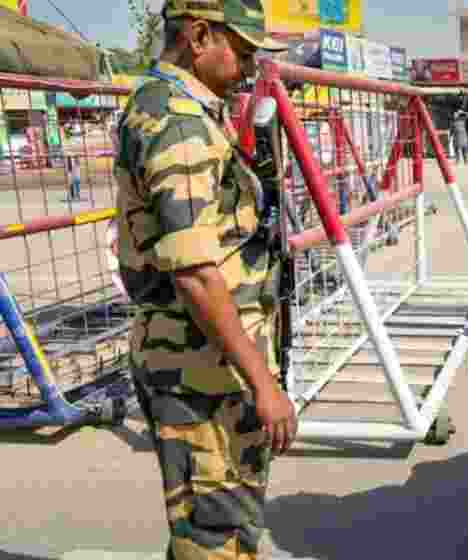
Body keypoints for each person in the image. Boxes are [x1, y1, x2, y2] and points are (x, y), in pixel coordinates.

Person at [115, 1, 296, 557]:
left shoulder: (179, 108)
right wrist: (263, 384)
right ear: (198, 37)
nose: (247, 67)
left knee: (217, 529)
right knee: (214, 538)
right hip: (201, 372)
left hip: (206, 360)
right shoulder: (177, 122)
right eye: (241, 52)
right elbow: (195, 273)